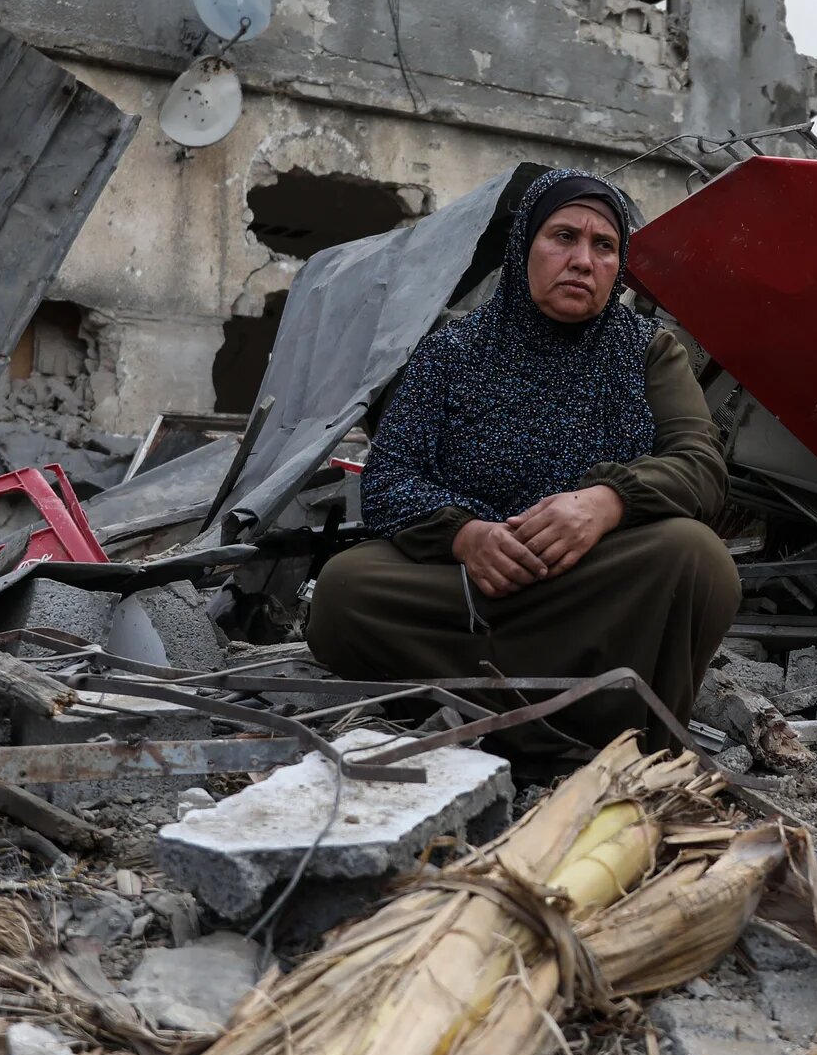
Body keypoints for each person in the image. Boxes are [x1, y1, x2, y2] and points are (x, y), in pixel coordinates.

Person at [303, 168, 738, 744]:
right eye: (563, 237)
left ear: (618, 266)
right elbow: (390, 479)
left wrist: (608, 502)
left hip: (590, 581)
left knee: (698, 559)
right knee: (344, 590)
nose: (583, 260)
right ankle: (572, 716)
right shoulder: (452, 351)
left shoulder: (647, 353)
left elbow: (701, 465)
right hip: (470, 584)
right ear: (524, 245)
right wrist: (467, 536)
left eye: (603, 245)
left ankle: (498, 713)